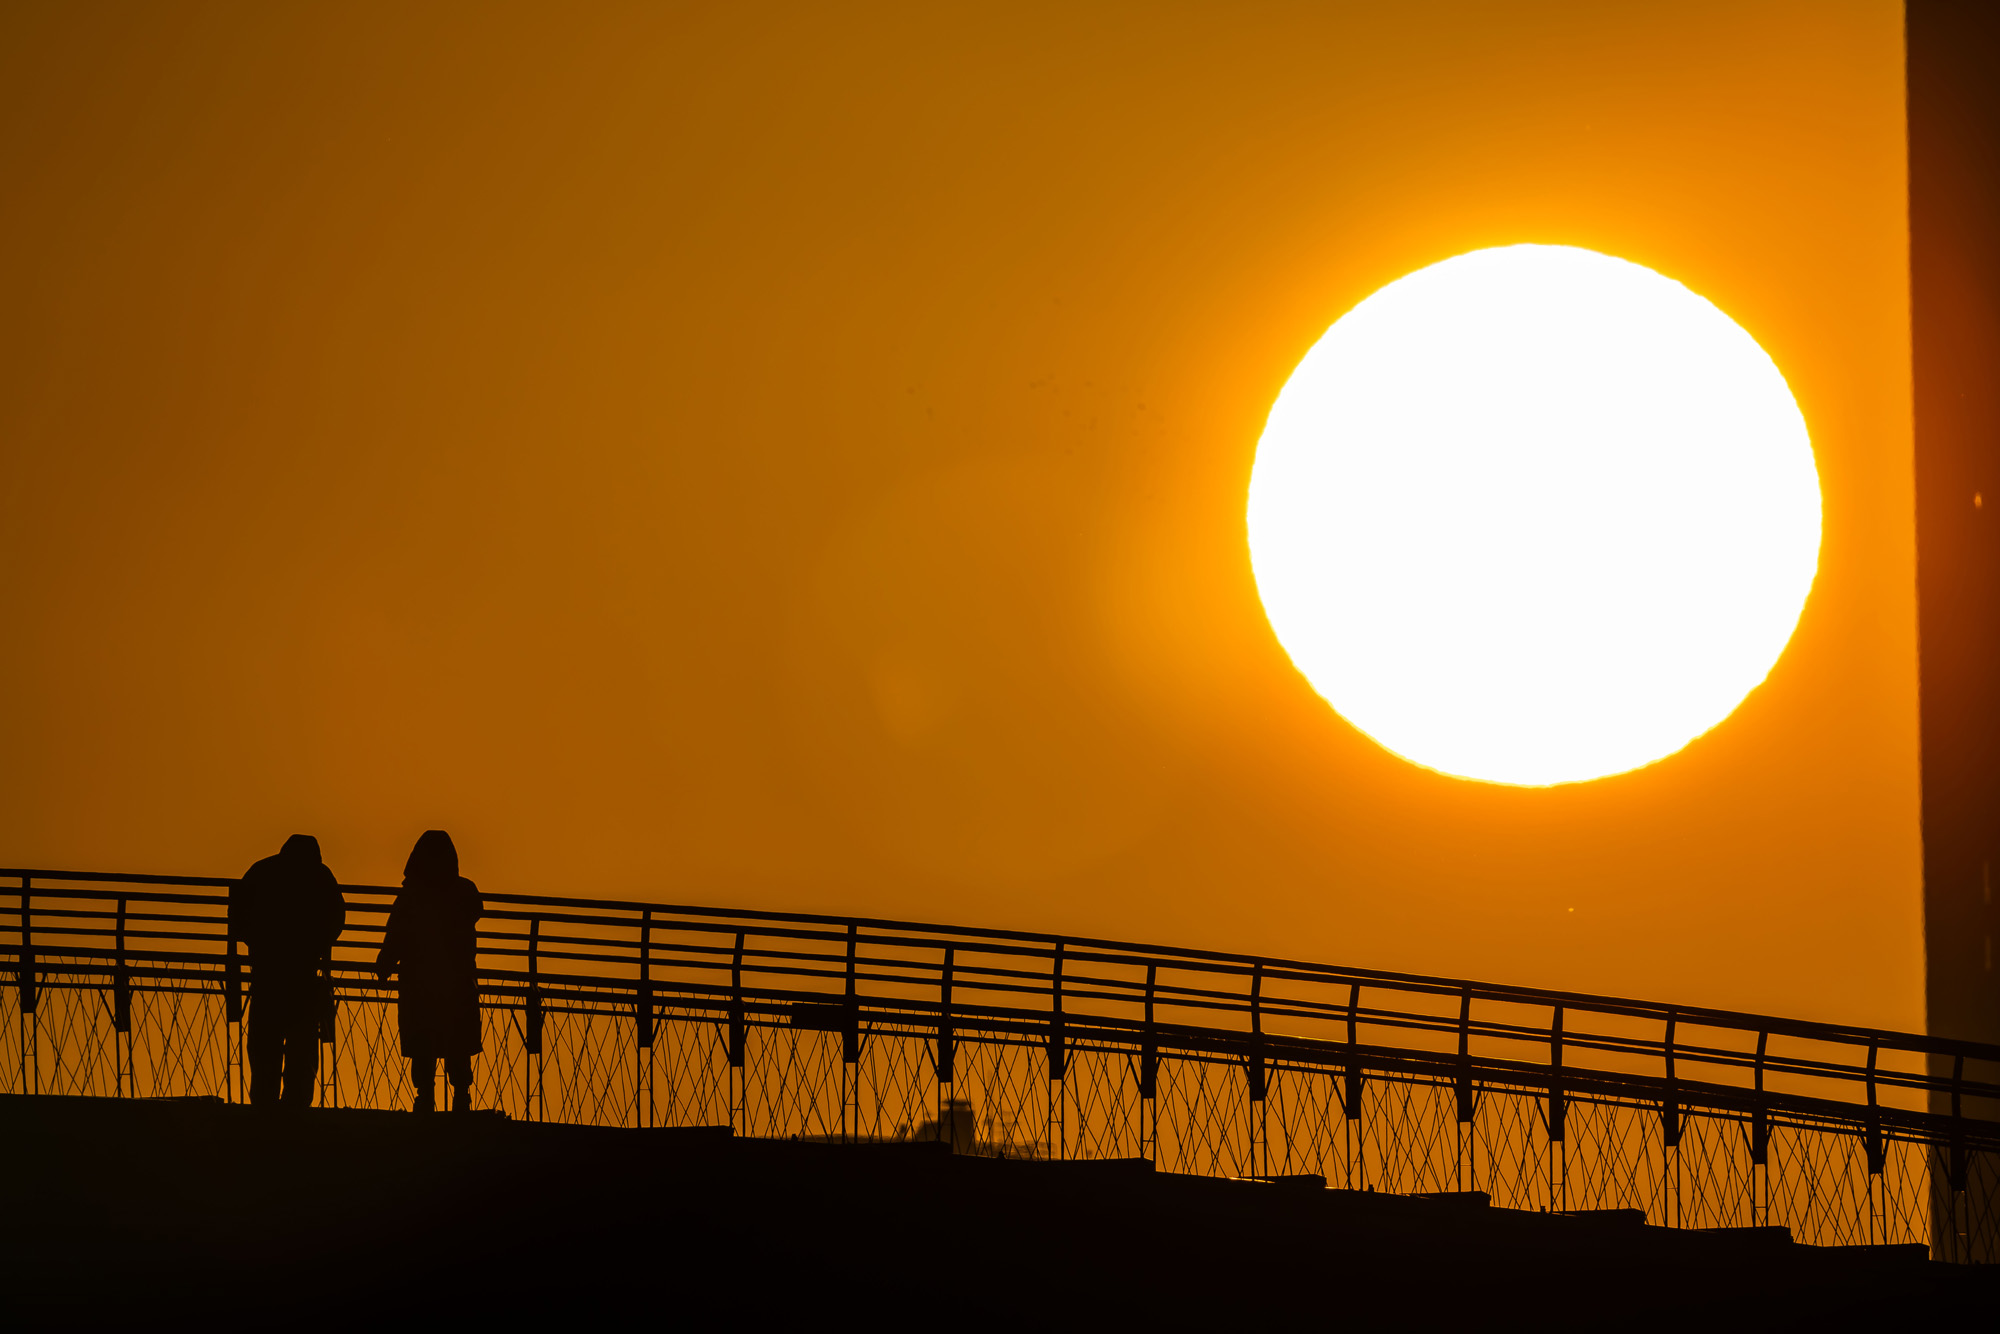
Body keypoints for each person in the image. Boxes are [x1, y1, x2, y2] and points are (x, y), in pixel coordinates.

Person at [232, 834, 347, 1109]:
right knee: (302, 1042)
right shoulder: (320, 876)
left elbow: (238, 915)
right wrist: (318, 946)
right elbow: (337, 917)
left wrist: (257, 943)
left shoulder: (262, 870)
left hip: (266, 971)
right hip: (303, 972)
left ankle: (263, 1101)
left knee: (264, 1041)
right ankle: (297, 1103)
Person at [375, 830, 484, 1112]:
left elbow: (396, 934)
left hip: (418, 981)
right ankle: (461, 1096)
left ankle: (425, 1097)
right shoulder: (464, 891)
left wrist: (385, 963)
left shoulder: (411, 895)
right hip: (457, 981)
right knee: (457, 1040)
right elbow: (474, 912)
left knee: (422, 1039)